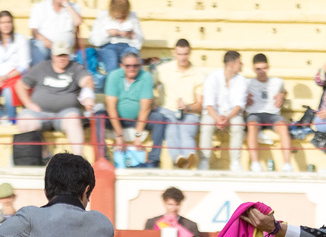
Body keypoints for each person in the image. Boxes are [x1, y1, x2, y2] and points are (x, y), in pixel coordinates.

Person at [16, 41, 95, 157]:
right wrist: (28, 104)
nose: (61, 58)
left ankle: (78, 158)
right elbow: (20, 85)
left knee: (73, 120)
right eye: (58, 55)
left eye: (64, 55)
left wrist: (88, 94)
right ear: (52, 55)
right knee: (24, 122)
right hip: (39, 113)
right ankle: (43, 156)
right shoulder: (41, 67)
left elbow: (87, 80)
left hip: (66, 114)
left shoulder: (76, 68)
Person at [151, 38, 204, 168]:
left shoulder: (198, 74)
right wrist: (153, 103)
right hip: (167, 111)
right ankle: (181, 158)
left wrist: (188, 107)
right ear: (175, 53)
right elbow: (148, 86)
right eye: (180, 54)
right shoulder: (163, 69)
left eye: (185, 54)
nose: (182, 58)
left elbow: (200, 104)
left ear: (190, 53)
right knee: (171, 131)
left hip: (189, 113)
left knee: (186, 133)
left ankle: (186, 157)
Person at [198, 50, 247, 171]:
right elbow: (208, 105)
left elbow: (238, 106)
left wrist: (227, 118)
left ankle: (235, 162)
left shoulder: (242, 81)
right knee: (206, 125)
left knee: (238, 124)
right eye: (239, 62)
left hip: (231, 114)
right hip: (214, 113)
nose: (242, 65)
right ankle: (204, 161)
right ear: (231, 65)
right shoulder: (212, 78)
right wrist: (218, 118)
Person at [104, 50, 154, 167]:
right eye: (128, 66)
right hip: (118, 119)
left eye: (135, 65)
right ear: (122, 66)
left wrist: (138, 136)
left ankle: (153, 161)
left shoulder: (146, 76)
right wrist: (120, 135)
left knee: (160, 118)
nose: (132, 68)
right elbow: (111, 108)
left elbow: (145, 108)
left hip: (138, 119)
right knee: (98, 116)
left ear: (140, 65)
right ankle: (103, 158)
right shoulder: (114, 76)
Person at [246, 53, 293, 173]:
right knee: (252, 125)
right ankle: (255, 164)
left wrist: (282, 94)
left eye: (264, 68)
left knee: (283, 127)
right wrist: (244, 98)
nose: (261, 71)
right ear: (253, 69)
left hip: (272, 114)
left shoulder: (277, 81)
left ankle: (287, 165)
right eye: (258, 69)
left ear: (268, 67)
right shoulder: (247, 83)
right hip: (255, 114)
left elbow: (284, 91)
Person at [0, 11, 30, 126]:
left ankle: (12, 120)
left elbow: (24, 65)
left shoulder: (20, 39)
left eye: (8, 22)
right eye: (3, 22)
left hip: (15, 76)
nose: (6, 25)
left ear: (12, 24)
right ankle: (1, 116)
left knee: (9, 92)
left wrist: (6, 77)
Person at [28, 0, 82, 66]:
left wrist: (66, 5)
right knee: (37, 45)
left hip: (64, 50)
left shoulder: (73, 7)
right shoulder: (39, 7)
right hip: (45, 46)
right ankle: (38, 75)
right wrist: (50, 44)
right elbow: (34, 31)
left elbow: (78, 21)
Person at [89, 0, 143, 74]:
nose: (121, 17)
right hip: (108, 46)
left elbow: (139, 44)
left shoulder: (132, 16)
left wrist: (132, 35)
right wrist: (108, 33)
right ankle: (113, 85)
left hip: (128, 46)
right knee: (112, 66)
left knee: (133, 62)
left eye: (123, 15)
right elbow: (95, 41)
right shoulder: (103, 16)